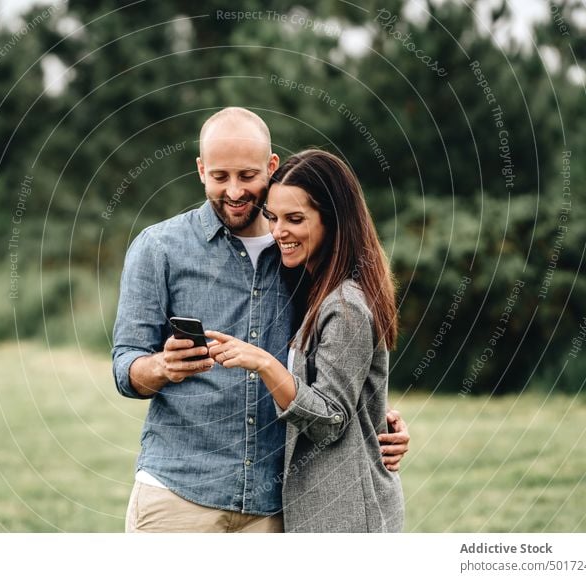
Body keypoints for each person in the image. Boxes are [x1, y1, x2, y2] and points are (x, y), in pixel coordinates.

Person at [112, 108, 409, 533]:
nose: (234, 191)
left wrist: (377, 418)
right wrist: (160, 367)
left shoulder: (302, 256)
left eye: (247, 176)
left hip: (276, 507)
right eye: (219, 177)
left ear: (272, 167)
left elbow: (335, 366)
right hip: (177, 494)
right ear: (200, 171)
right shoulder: (158, 248)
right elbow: (125, 365)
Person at [206, 149, 404, 532]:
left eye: (295, 219)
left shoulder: (345, 305)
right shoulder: (313, 289)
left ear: (333, 221)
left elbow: (330, 419)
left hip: (348, 514)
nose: (279, 232)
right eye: (273, 217)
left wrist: (263, 362)